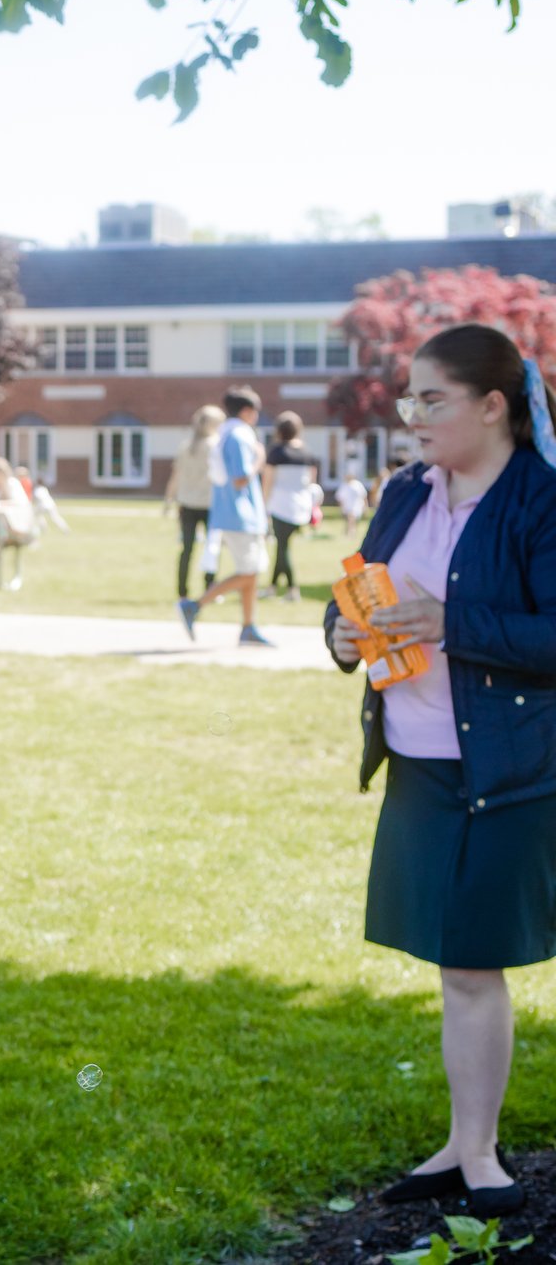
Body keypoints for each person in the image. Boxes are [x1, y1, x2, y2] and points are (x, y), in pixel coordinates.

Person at [325, 323, 556, 1219]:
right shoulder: (404, 492)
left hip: (506, 769)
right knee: (454, 963)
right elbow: (363, 595)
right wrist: (342, 638)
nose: (411, 416)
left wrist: (448, 624)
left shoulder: (540, 500)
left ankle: (481, 1151)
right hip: (417, 765)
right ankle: (464, 1143)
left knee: (475, 962)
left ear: (493, 407)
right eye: (408, 398)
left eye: (433, 400)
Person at [178, 386, 276, 647]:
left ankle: (248, 626)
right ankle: (195, 605)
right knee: (250, 572)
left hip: (233, 514)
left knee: (251, 573)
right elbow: (241, 478)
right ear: (247, 411)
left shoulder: (225, 433)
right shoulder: (240, 436)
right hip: (240, 515)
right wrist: (260, 459)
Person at [164, 405, 224, 601]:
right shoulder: (216, 446)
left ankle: (182, 592)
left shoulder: (186, 446)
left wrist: (168, 500)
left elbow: (176, 476)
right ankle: (210, 589)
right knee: (211, 549)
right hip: (209, 505)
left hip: (187, 504)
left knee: (186, 549)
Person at [262, 411, 318, 601]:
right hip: (301, 506)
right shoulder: (307, 452)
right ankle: (272, 587)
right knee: (282, 547)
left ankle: (293, 589)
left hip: (280, 506)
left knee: (282, 548)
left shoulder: (276, 452)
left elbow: (267, 482)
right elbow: (312, 481)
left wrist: (263, 506)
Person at [337, 465, 370, 538]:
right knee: (350, 519)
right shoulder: (344, 485)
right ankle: (350, 533)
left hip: (357, 505)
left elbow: (363, 495)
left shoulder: (358, 484)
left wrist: (366, 506)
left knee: (354, 520)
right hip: (347, 506)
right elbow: (340, 497)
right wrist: (341, 507)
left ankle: (351, 532)